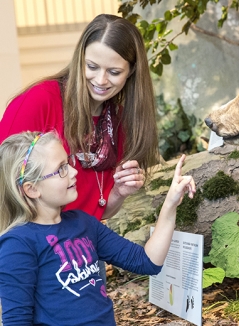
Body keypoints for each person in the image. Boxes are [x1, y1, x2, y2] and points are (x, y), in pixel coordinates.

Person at [0, 131, 196, 325]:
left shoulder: (83, 223)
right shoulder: (17, 244)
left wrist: (170, 203)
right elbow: (17, 320)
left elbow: (147, 261)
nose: (74, 172)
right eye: (61, 169)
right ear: (32, 189)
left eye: (68, 163)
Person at [0, 14, 158, 221]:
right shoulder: (39, 101)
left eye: (114, 71)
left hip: (78, 246)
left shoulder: (122, 124)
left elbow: (94, 213)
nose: (101, 80)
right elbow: (5, 186)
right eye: (92, 67)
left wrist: (119, 193)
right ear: (79, 60)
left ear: (131, 71)